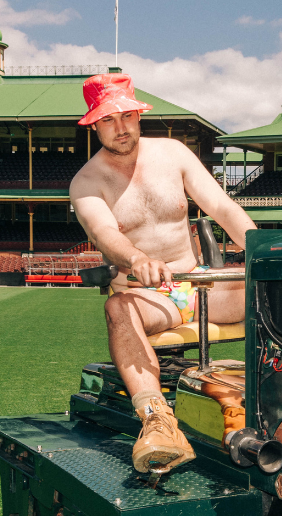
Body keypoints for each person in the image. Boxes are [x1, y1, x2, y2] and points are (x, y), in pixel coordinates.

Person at [70, 74, 256, 475]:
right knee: (119, 308)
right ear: (94, 124)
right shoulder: (86, 182)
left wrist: (258, 246)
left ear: (138, 114)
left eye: (126, 115)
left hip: (199, 284)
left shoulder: (173, 153)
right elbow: (104, 234)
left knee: (275, 285)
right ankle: (157, 420)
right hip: (149, 297)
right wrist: (136, 258)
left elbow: (221, 208)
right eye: (108, 120)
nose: (120, 127)